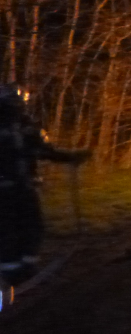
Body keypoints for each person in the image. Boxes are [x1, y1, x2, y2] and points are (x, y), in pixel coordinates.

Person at [0, 84, 89, 287]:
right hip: (12, 189)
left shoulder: (24, 125)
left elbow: (42, 150)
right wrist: (68, 157)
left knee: (21, 229)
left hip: (20, 187)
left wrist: (70, 157)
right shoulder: (22, 124)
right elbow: (42, 150)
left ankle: (20, 272)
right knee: (18, 229)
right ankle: (15, 275)